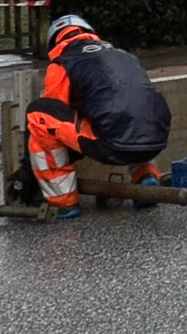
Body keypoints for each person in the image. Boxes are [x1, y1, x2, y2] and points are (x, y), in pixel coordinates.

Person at [20, 15, 171, 219]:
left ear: (54, 41)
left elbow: (55, 108)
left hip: (113, 144)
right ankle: (145, 176)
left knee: (39, 113)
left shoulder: (63, 62)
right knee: (131, 115)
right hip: (155, 138)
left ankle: (63, 201)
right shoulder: (124, 56)